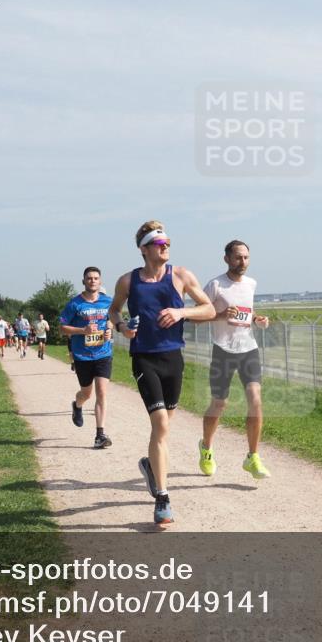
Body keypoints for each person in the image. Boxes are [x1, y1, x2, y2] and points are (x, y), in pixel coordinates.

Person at [109, 221, 214, 525]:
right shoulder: (128, 281)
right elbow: (114, 310)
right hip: (144, 359)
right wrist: (121, 327)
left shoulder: (181, 275)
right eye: (158, 242)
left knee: (164, 427)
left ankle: (151, 467)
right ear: (144, 249)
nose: (165, 246)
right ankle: (163, 498)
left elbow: (208, 310)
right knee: (160, 425)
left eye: (167, 241)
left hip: (173, 359)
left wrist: (182, 312)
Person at [197, 240, 271, 480]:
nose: (243, 262)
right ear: (227, 258)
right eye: (238, 257)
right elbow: (196, 315)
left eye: (246, 258)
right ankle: (206, 448)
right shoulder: (216, 285)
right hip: (223, 350)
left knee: (255, 399)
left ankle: (253, 457)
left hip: (248, 348)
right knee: (220, 404)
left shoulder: (251, 284)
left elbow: (247, 313)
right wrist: (218, 314)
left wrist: (258, 319)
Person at [60, 268, 115, 449]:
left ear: (100, 281)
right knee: (86, 393)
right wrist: (83, 331)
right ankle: (77, 405)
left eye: (96, 278)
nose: (92, 281)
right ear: (83, 281)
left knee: (102, 392)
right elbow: (62, 328)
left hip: (103, 353)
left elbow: (114, 319)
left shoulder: (108, 301)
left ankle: (100, 434)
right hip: (83, 355)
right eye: (89, 278)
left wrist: (110, 328)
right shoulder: (75, 304)